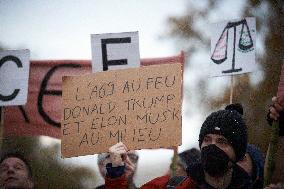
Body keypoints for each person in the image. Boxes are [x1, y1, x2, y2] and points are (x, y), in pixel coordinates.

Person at [104, 108, 252, 188]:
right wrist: (117, 173)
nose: (212, 146)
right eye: (207, 140)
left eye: (222, 141)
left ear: (237, 152)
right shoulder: (167, 186)